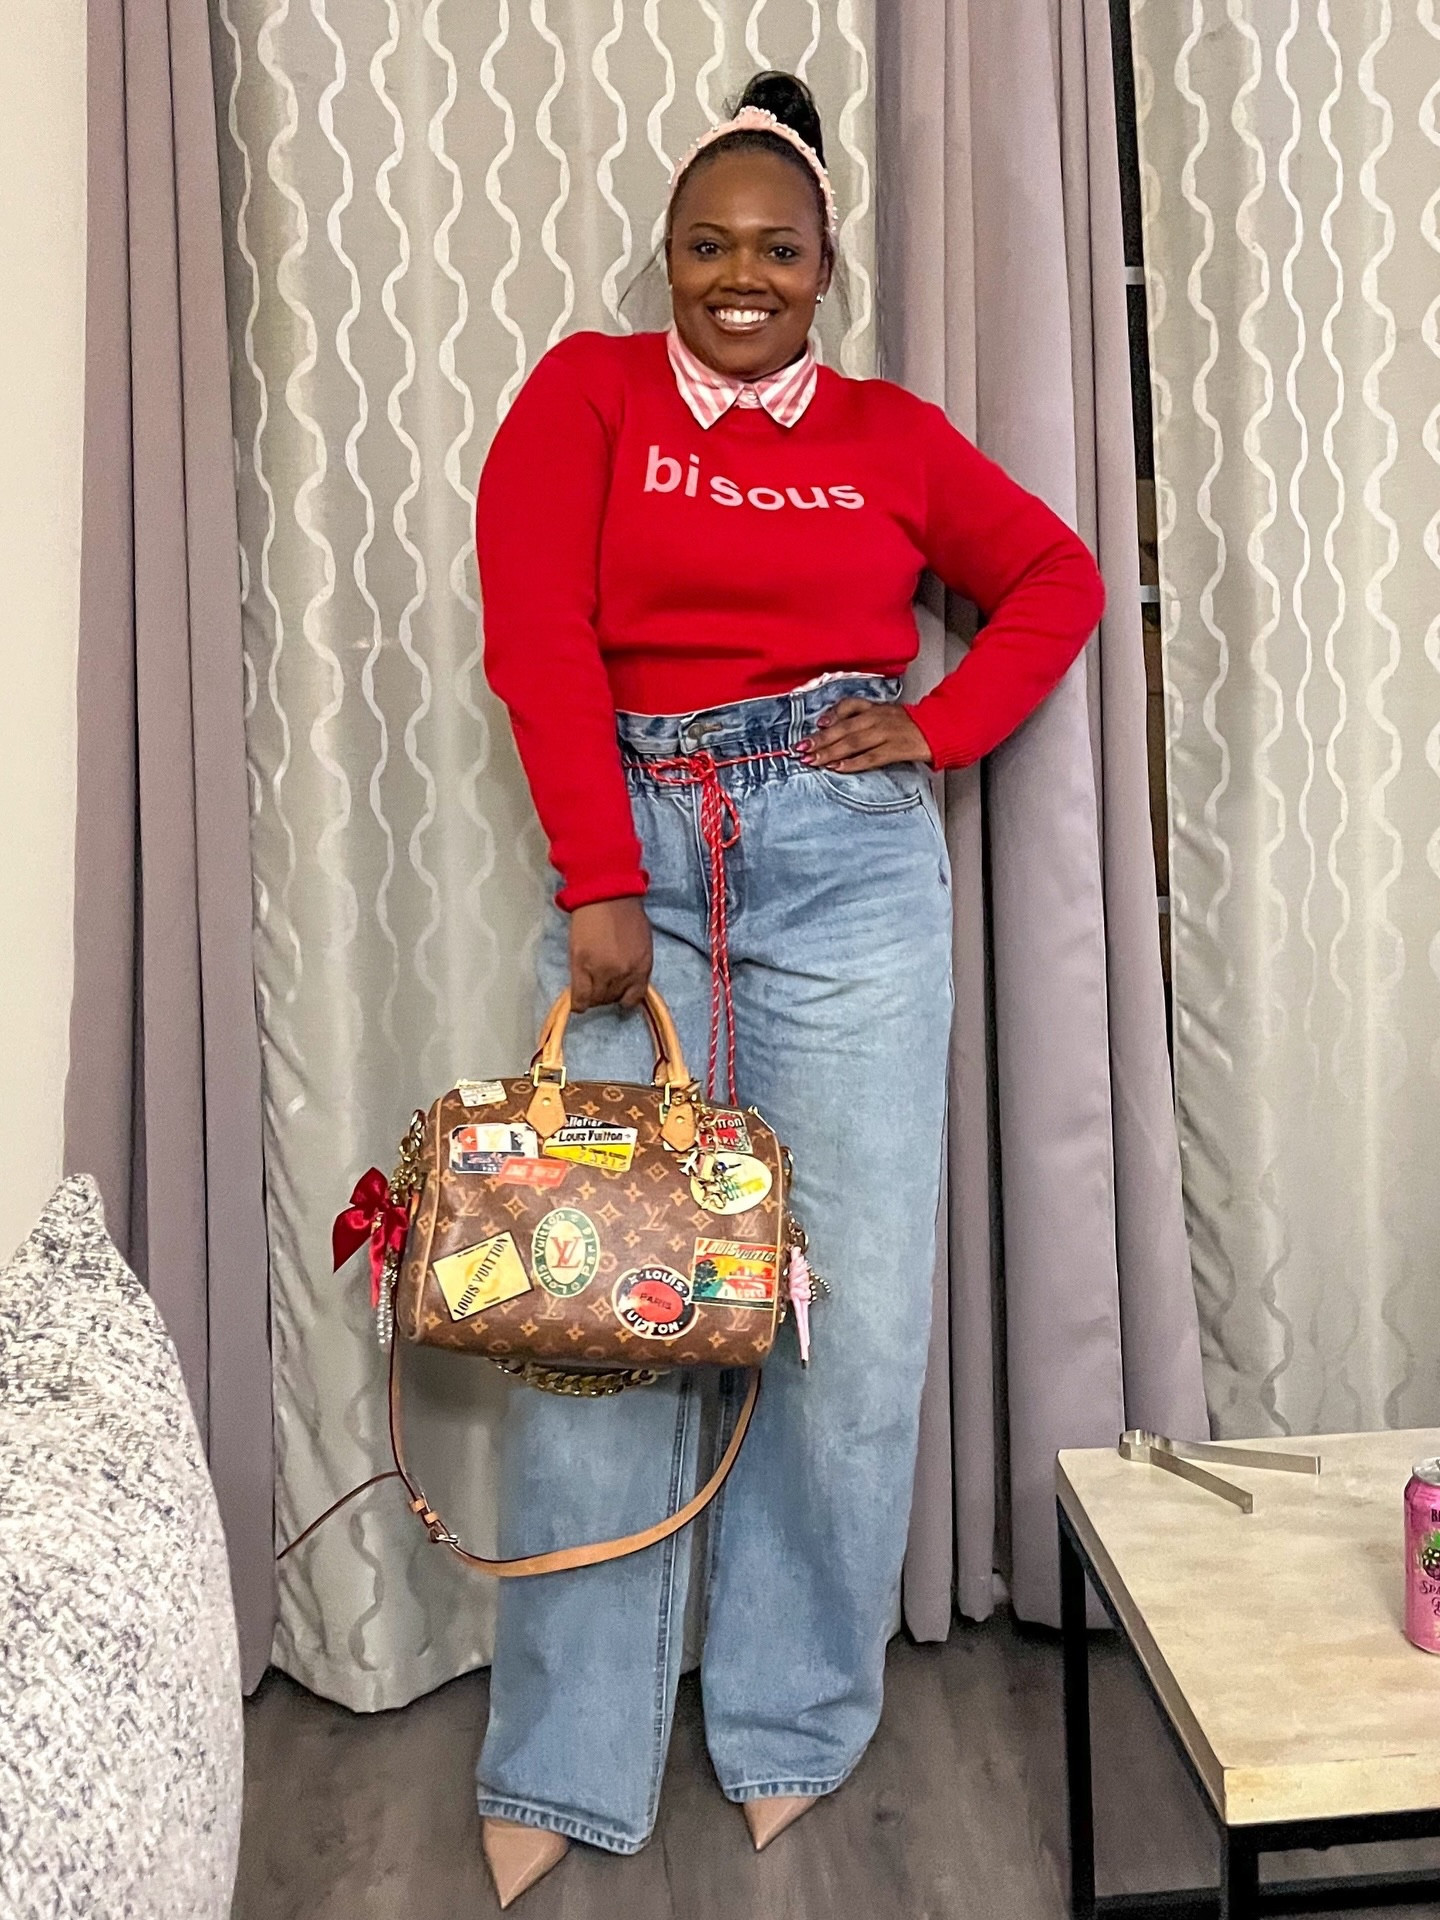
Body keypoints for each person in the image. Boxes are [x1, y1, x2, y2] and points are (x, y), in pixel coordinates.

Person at [473, 70, 1104, 1907]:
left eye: (777, 252)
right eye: (707, 248)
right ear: (667, 256)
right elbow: (538, 639)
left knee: (848, 1315)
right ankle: (566, 1759)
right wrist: (600, 880)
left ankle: (793, 1719)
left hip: (843, 868)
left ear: (825, 269)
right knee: (596, 1314)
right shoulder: (584, 394)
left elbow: (1052, 580)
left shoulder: (894, 435)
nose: (739, 280)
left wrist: (940, 720)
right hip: (640, 860)